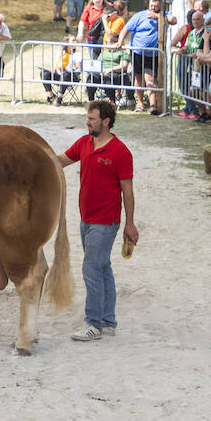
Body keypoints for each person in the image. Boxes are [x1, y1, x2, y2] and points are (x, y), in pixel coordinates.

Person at [58, 100, 138, 341]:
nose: (87, 122)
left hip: (105, 221)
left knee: (91, 268)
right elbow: (60, 160)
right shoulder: (84, 143)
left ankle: (93, 323)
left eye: (91, 119)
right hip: (86, 218)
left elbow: (128, 191)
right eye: (88, 118)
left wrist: (130, 224)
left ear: (105, 121)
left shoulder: (120, 151)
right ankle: (108, 321)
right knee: (103, 268)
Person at [115, 0, 163, 114]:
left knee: (150, 79)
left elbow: (173, 20)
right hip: (137, 52)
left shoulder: (163, 16)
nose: (153, 8)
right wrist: (120, 41)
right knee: (138, 78)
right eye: (151, 6)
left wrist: (157, 16)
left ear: (160, 7)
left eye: (155, 7)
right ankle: (140, 103)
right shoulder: (139, 15)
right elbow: (126, 28)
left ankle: (153, 105)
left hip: (153, 54)